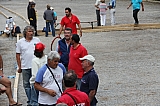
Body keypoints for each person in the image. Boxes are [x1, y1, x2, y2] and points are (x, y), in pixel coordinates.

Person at [16, 25, 40, 106]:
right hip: (25, 66)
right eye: (29, 31)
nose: (31, 33)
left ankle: (34, 100)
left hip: (35, 66)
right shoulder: (20, 42)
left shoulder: (37, 40)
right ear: (25, 32)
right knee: (26, 84)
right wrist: (19, 66)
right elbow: (18, 55)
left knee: (35, 84)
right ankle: (30, 100)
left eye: (32, 31)